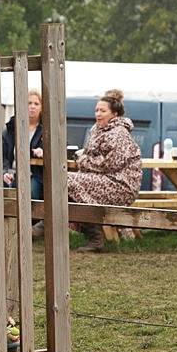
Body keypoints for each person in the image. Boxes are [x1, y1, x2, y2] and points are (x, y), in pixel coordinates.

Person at [66, 89, 142, 252]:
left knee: (66, 180)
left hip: (121, 186)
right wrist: (83, 157)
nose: (98, 114)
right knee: (62, 181)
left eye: (103, 111)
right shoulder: (97, 130)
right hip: (102, 180)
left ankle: (95, 239)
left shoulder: (119, 133)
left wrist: (80, 159)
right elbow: (91, 154)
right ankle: (92, 237)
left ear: (114, 113)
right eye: (96, 110)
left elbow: (108, 164)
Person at [2, 89, 46, 237]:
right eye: (29, 103)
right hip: (13, 173)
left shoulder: (47, 129)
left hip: (36, 175)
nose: (32, 107)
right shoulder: (10, 128)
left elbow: (61, 148)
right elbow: (2, 156)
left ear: (41, 107)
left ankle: (26, 231)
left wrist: (45, 151)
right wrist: (4, 172)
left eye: (36, 103)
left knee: (30, 191)